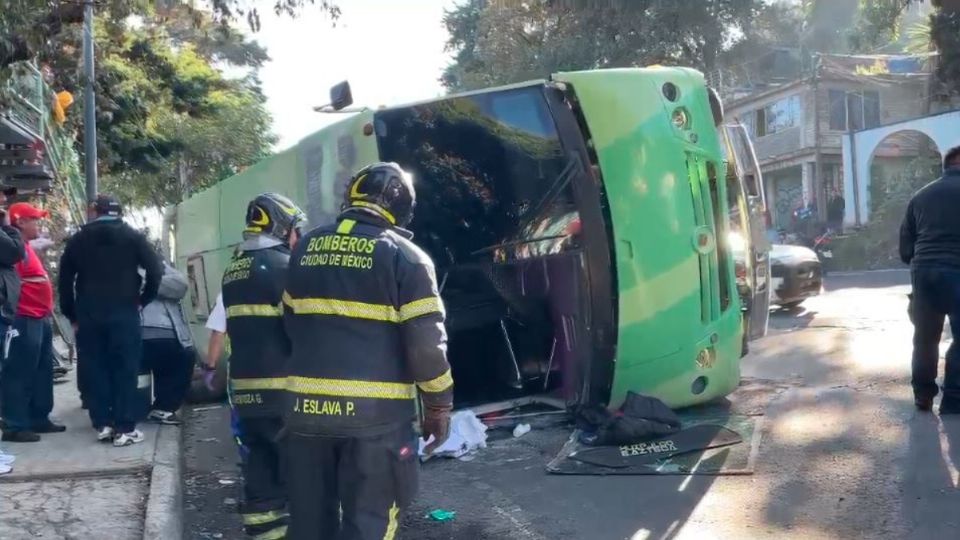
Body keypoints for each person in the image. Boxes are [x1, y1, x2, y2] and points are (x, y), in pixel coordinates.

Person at [282, 162, 453, 539]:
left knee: (309, 526)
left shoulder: (305, 248)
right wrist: (439, 406)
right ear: (404, 209)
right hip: (375, 424)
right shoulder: (406, 257)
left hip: (304, 416)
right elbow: (427, 347)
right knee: (369, 525)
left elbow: (291, 323)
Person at [218, 192, 306, 539]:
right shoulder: (286, 268)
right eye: (297, 230)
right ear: (284, 227)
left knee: (261, 474)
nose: (298, 237)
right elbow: (302, 330)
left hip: (246, 394)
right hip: (284, 392)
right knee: (305, 476)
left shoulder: (233, 270)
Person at [58, 194, 162, 446]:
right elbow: (155, 271)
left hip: (89, 314)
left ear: (95, 211)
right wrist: (143, 299)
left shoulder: (78, 240)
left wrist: (72, 314)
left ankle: (102, 423)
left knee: (96, 368)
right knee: (125, 369)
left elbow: (64, 281)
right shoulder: (133, 237)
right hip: (124, 311)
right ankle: (125, 427)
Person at [900, 145, 960, 414]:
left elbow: (905, 249)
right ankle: (954, 399)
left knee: (925, 338)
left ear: (946, 165)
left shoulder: (920, 195)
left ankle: (922, 395)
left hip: (924, 272)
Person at [0, 203, 49, 443]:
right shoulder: (14, 248)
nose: (37, 225)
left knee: (41, 370)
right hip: (23, 316)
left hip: (39, 315)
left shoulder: (25, 246)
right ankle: (16, 423)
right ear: (20, 222)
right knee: (19, 371)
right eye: (34, 220)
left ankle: (38, 416)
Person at [141, 260, 195, 425]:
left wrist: (143, 283)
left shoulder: (156, 263)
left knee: (182, 356)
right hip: (132, 330)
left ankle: (163, 408)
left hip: (167, 331)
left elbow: (181, 285)